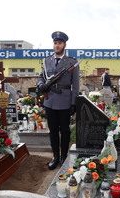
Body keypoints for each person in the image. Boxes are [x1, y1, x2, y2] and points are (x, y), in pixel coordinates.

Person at [37, 31, 79, 170]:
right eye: (55, 43)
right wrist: (40, 85)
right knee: (53, 130)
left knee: (65, 131)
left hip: (65, 100)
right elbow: (41, 76)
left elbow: (76, 85)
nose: (57, 45)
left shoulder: (72, 62)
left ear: (64, 45)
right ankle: (55, 156)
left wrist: (74, 103)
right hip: (50, 100)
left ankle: (64, 157)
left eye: (60, 43)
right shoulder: (46, 60)